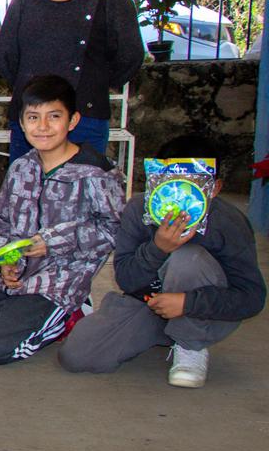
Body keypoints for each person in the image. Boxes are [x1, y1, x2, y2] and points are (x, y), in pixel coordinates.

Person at [59, 135, 266, 388]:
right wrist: (157, 248)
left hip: (205, 312)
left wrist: (188, 303)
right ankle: (166, 332)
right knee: (78, 355)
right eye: (168, 184)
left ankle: (190, 344)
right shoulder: (138, 210)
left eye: (192, 185)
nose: (178, 195)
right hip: (150, 305)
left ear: (215, 188)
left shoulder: (227, 222)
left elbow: (251, 297)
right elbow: (126, 280)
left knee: (187, 258)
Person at [0, 76, 125, 365]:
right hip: (15, 277)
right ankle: (22, 310)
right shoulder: (21, 167)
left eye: (54, 116)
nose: (42, 127)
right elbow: (2, 220)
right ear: (21, 122)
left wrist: (53, 242)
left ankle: (70, 314)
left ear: (72, 120)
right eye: (33, 117)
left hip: (60, 281)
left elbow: (113, 230)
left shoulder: (95, 172)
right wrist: (4, 262)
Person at [0, 0, 145, 162]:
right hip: (31, 118)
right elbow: (6, 55)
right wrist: (36, 96)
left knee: (82, 184)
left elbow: (129, 56)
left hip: (85, 118)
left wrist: (92, 83)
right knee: (27, 183)